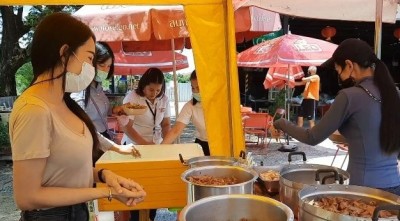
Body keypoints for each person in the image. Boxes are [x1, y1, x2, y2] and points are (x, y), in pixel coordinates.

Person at [9, 13, 146, 220]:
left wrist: (104, 176)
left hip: (76, 211)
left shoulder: (65, 103)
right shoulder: (34, 110)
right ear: (65, 53)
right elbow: (27, 197)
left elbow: (65, 170)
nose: (92, 69)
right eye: (90, 58)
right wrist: (106, 192)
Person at [274, 38, 400, 195]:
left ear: (349, 65)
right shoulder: (394, 93)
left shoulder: (349, 96)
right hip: (395, 188)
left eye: (337, 70)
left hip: (363, 191)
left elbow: (312, 137)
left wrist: (281, 123)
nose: (338, 76)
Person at [114, 67, 171, 221]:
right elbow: (127, 128)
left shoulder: (164, 98)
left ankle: (151, 215)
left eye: (158, 90)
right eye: (151, 89)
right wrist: (145, 144)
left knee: (153, 185)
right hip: (134, 147)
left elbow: (166, 124)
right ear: (143, 85)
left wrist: (166, 144)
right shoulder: (132, 97)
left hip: (155, 145)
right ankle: (135, 216)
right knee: (134, 185)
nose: (154, 93)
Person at [71, 42, 135, 160]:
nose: (105, 70)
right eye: (102, 65)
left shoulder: (99, 88)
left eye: (109, 66)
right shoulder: (80, 91)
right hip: (91, 146)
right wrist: (117, 148)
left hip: (104, 139)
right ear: (91, 62)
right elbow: (84, 129)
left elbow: (100, 111)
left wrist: (115, 109)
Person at [161, 70, 210, 155]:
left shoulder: (224, 103)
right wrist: (159, 149)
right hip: (202, 146)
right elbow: (176, 130)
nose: (195, 91)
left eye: (198, 88)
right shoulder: (190, 105)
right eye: (193, 88)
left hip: (223, 146)